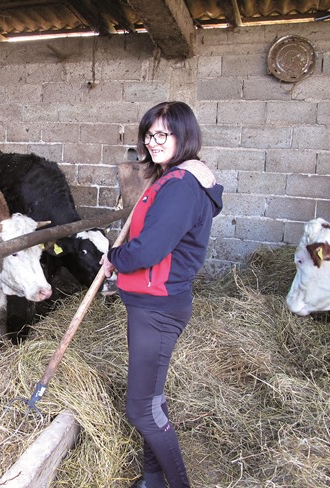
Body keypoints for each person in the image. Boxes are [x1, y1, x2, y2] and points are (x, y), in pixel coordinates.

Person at [101, 101, 224, 487]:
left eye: (162, 134)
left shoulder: (181, 187)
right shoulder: (172, 179)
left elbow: (148, 249)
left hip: (158, 307)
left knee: (140, 409)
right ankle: (152, 476)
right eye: (149, 134)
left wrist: (115, 256)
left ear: (183, 135)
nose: (153, 142)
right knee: (150, 399)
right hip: (150, 302)